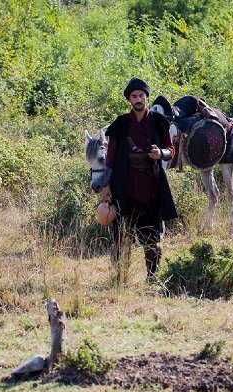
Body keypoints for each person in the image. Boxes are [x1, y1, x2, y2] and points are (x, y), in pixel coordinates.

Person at [99, 77, 178, 282]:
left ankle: (152, 276)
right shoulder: (120, 125)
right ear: (129, 100)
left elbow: (172, 150)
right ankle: (120, 276)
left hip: (151, 186)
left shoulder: (159, 123)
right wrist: (106, 184)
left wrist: (160, 153)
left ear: (146, 97)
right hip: (123, 186)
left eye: (141, 95)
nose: (138, 99)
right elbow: (111, 158)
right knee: (120, 233)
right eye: (134, 96)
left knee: (151, 234)